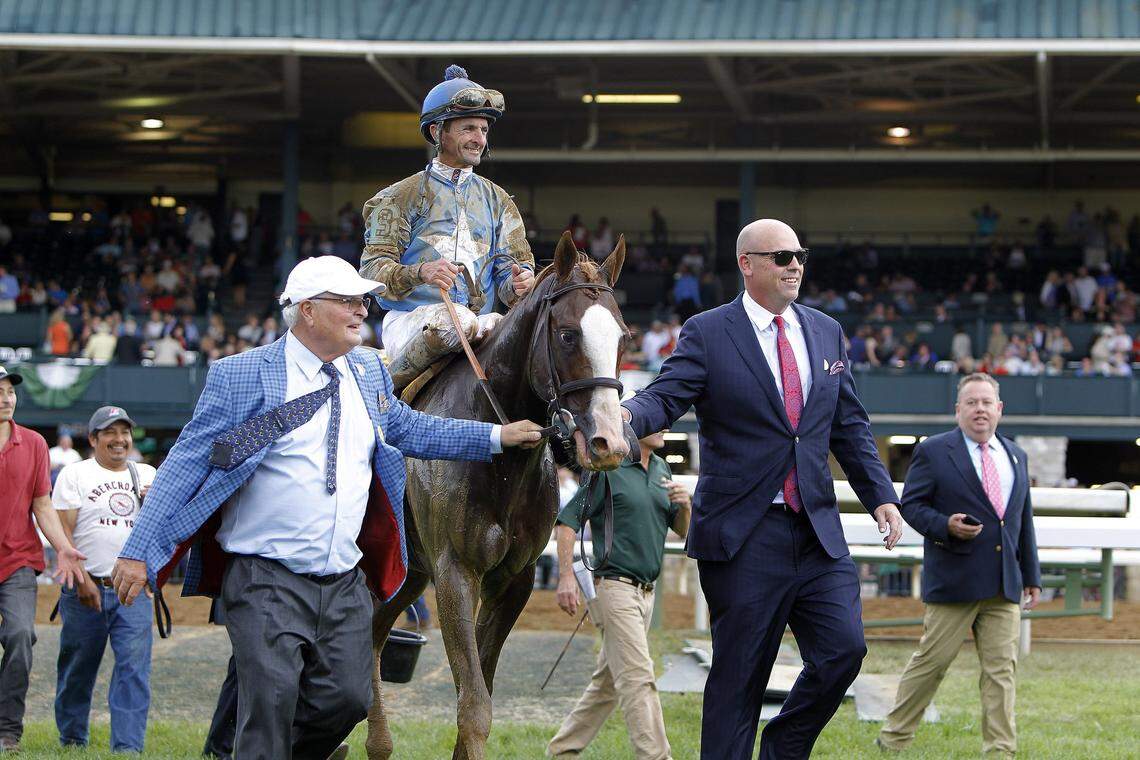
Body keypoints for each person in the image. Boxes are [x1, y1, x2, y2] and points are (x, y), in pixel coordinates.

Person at [110, 256, 543, 760]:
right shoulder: (242, 375)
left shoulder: (368, 370)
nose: (364, 309)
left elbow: (411, 429)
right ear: (308, 311)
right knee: (269, 704)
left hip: (343, 580)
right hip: (264, 578)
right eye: (348, 300)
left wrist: (496, 436)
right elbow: (189, 462)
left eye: (363, 299)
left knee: (350, 700)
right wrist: (140, 549)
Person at [620, 219, 903, 760]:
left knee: (845, 650)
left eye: (799, 254)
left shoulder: (826, 332)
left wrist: (882, 496)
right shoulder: (707, 331)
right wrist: (623, 418)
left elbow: (849, 426)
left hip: (817, 529)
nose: (794, 264)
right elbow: (664, 398)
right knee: (740, 676)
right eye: (780, 256)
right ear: (746, 264)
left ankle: (780, 749)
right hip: (744, 535)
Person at [878, 374, 1040, 757]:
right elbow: (913, 507)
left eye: (987, 402)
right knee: (932, 664)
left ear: (999, 409)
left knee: (1001, 672)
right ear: (958, 410)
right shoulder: (934, 451)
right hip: (954, 580)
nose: (980, 409)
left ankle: (1000, 749)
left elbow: (1022, 521)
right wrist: (945, 526)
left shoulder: (1016, 455)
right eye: (971, 402)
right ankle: (894, 738)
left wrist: (1030, 574)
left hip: (1004, 585)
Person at [359, 64, 535, 388]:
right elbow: (371, 272)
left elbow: (510, 275)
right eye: (468, 128)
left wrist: (520, 284)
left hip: (479, 324)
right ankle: (381, 399)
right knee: (456, 322)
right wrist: (420, 273)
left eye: (483, 130)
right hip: (413, 322)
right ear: (438, 132)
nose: (479, 139)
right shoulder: (397, 197)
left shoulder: (499, 201)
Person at [547, 430, 692, 760]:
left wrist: (685, 506)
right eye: (658, 422)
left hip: (646, 592)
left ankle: (563, 749)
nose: (666, 427)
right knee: (639, 677)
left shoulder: (662, 470)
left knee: (609, 682)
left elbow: (683, 530)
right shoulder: (608, 471)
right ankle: (656, 756)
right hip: (614, 588)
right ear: (637, 427)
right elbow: (568, 522)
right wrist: (566, 576)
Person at [52, 406, 157, 752]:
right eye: (109, 433)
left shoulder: (146, 474)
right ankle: (71, 738)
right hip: (86, 587)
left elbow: (163, 532)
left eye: (124, 432)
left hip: (133, 589)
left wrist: (153, 504)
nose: (119, 440)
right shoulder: (75, 474)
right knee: (78, 668)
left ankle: (127, 748)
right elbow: (63, 535)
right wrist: (80, 581)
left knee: (133, 669)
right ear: (94, 439)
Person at [0, 367, 86, 753]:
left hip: (17, 558)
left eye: (9, 392)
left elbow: (42, 504)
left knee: (20, 636)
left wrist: (63, 546)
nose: (6, 398)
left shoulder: (34, 443)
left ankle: (7, 729)